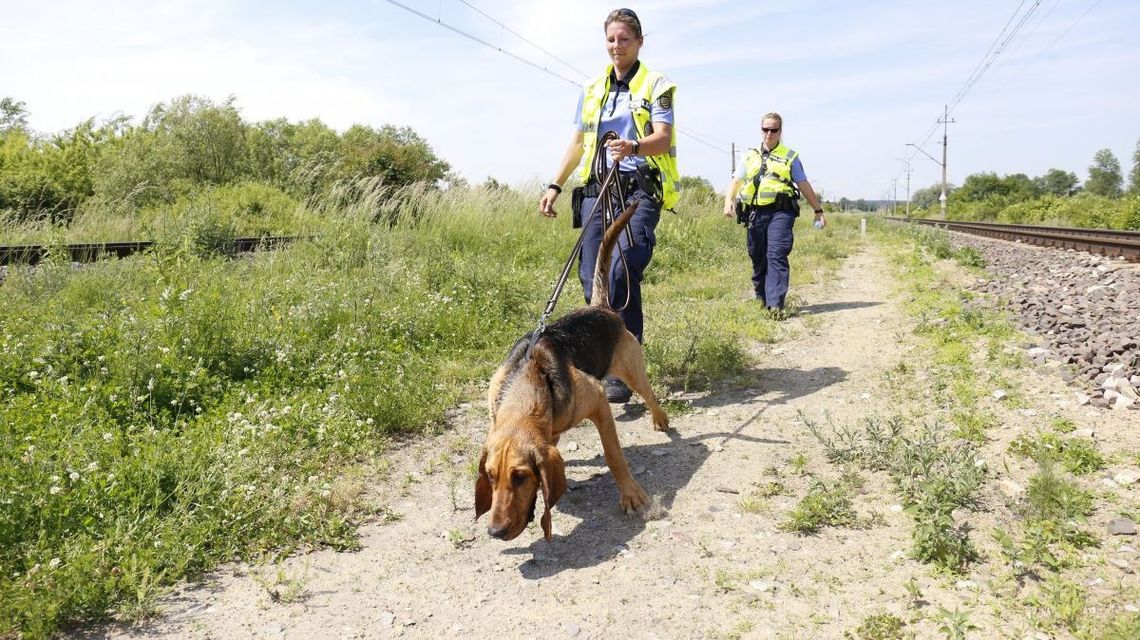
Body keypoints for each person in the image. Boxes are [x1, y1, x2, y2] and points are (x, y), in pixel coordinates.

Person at [538, 7, 679, 403]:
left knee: (621, 271)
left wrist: (634, 145)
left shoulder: (658, 85)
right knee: (591, 278)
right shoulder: (591, 88)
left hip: (639, 189)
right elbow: (578, 143)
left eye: (624, 39)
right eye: (611, 39)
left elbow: (663, 138)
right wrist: (555, 185)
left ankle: (626, 362)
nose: (617, 46)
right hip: (597, 189)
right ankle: (603, 358)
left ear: (639, 42)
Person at [722, 112, 826, 316]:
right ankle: (761, 299)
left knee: (776, 253)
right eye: (765, 129)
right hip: (754, 213)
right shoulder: (750, 155)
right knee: (757, 255)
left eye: (774, 130)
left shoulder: (790, 156)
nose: (769, 133)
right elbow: (736, 181)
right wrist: (728, 201)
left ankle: (775, 304)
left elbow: (803, 184)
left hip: (781, 212)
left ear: (780, 131)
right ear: (761, 130)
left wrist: (818, 210)